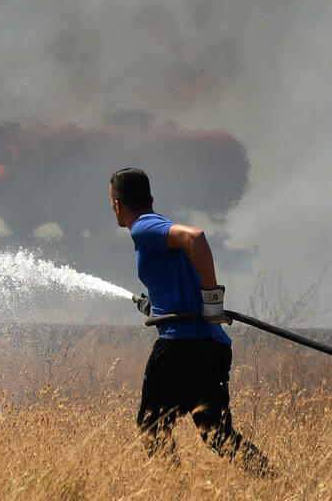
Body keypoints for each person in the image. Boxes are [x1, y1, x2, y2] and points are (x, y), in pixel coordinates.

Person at [109, 168, 268, 473]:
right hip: (211, 346)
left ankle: (173, 491)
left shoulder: (143, 227)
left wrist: (212, 300)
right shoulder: (156, 227)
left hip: (179, 349)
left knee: (151, 428)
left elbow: (195, 236)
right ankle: (279, 484)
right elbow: (180, 278)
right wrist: (158, 304)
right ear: (150, 198)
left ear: (117, 204)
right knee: (217, 435)